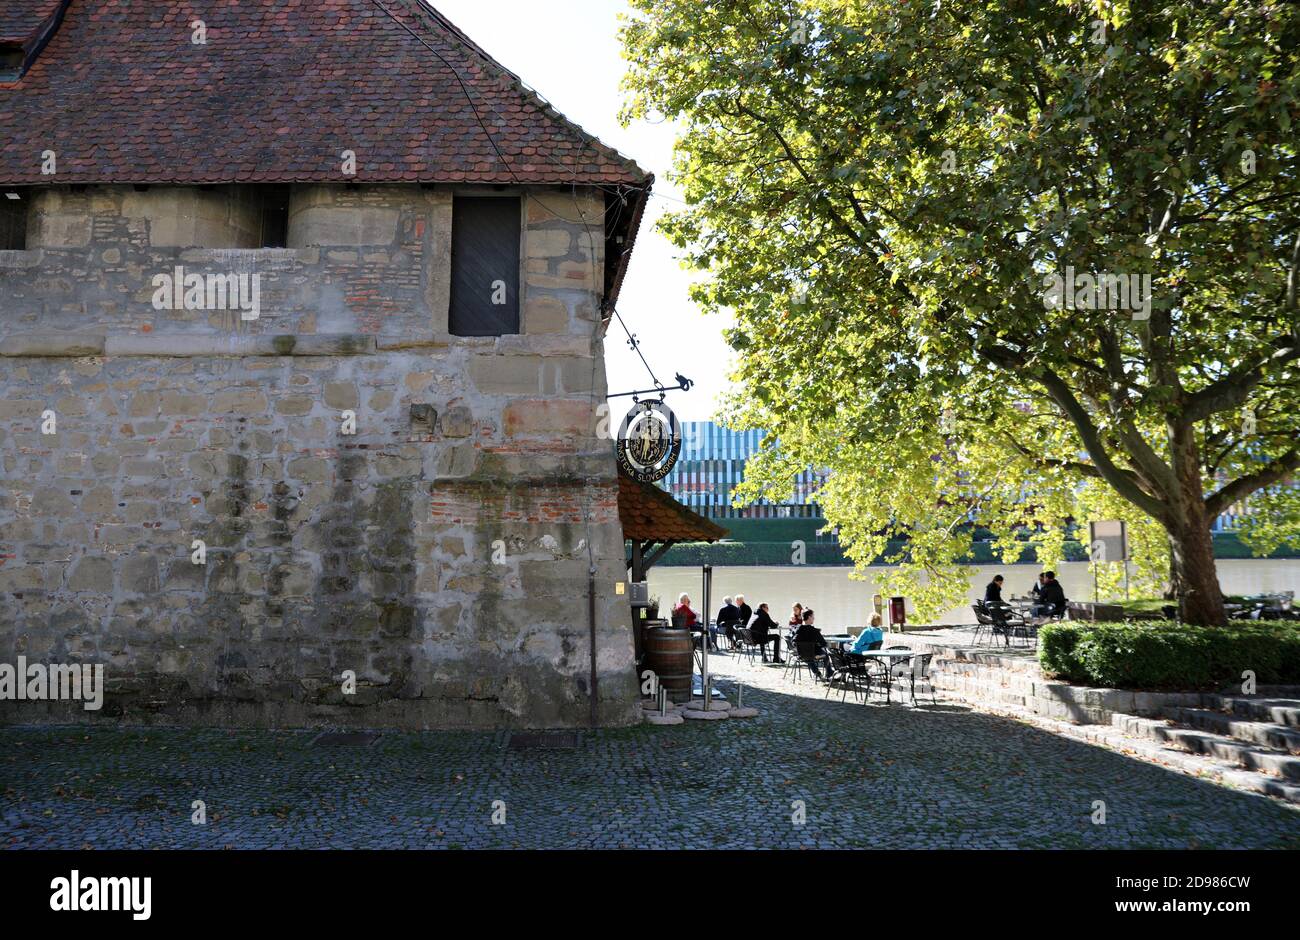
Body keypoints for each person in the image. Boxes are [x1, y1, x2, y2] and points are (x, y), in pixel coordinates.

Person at [793, 609, 831, 680]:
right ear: (809, 617)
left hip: (801, 655)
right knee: (826, 654)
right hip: (813, 655)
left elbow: (793, 642)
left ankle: (817, 673)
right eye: (813, 616)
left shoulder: (797, 629)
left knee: (808, 654)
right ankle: (829, 674)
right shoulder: (814, 631)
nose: (814, 618)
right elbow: (824, 643)